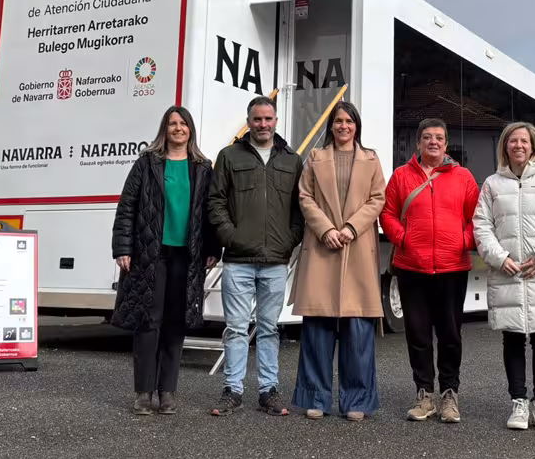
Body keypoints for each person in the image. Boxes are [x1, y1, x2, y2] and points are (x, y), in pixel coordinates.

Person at [111, 105, 221, 416]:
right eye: (172, 123)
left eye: (183, 123)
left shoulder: (203, 167)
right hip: (150, 254)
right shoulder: (147, 163)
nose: (178, 128)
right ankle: (144, 392)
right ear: (165, 129)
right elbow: (127, 206)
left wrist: (213, 247)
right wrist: (123, 247)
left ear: (190, 130)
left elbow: (210, 214)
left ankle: (167, 392)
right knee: (148, 322)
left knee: (176, 324)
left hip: (187, 256)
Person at [207, 95, 305, 417]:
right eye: (257, 119)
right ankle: (232, 390)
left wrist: (290, 240)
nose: (263, 124)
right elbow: (215, 202)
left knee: (268, 328)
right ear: (248, 121)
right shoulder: (229, 156)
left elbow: (299, 208)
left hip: (275, 261)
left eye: (268, 119)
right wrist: (231, 237)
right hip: (237, 260)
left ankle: (268, 391)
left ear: (276, 121)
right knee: (235, 328)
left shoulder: (292, 160)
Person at [289, 101, 387, 422]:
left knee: (357, 330)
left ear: (356, 125)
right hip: (322, 248)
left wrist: (349, 228)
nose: (343, 126)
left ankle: (356, 399)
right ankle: (316, 397)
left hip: (356, 246)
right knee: (317, 328)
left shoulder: (371, 160)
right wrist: (326, 229)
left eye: (349, 121)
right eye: (338, 121)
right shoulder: (315, 159)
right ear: (330, 126)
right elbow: (305, 197)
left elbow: (377, 199)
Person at [473, 122, 535, 431]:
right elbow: (481, 226)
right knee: (512, 337)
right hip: (509, 272)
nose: (518, 145)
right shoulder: (491, 184)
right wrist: (499, 257)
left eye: (524, 141)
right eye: (513, 141)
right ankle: (518, 402)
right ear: (505, 146)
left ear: (533, 146)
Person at [379, 118, 479, 423]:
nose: (432, 142)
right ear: (418, 144)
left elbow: (479, 218)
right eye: (426, 137)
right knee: (418, 334)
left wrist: (463, 240)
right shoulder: (401, 176)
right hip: (412, 267)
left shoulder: (463, 177)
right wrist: (402, 237)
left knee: (450, 334)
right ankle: (424, 394)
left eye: (438, 137)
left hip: (452, 267)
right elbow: (387, 213)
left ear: (446, 144)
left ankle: (450, 394)